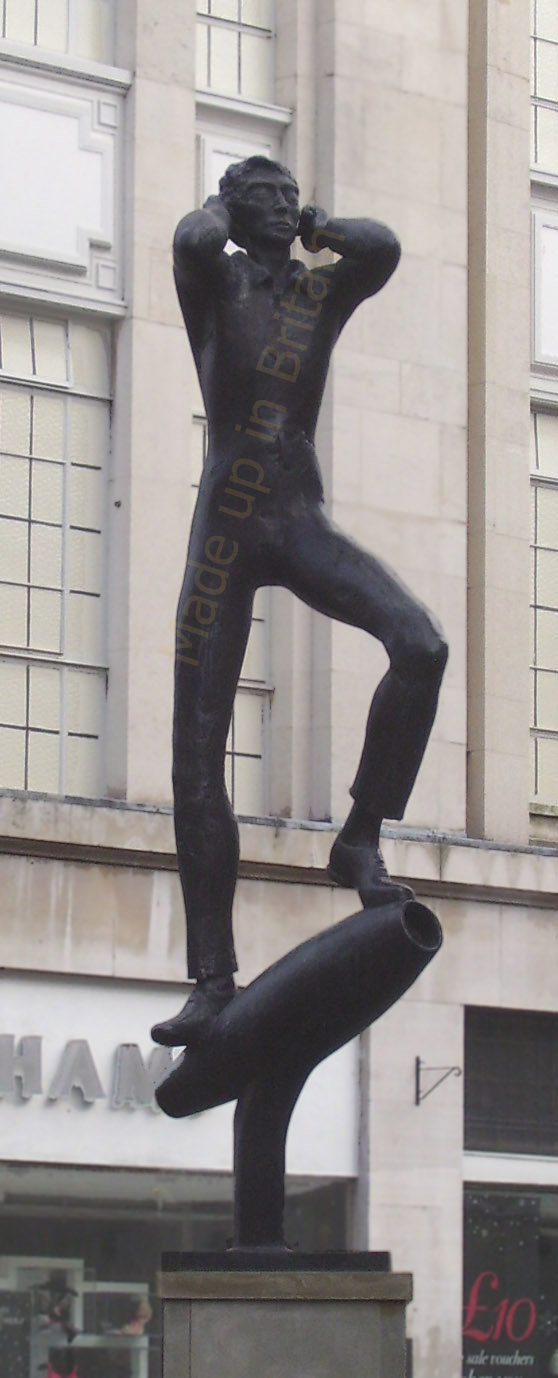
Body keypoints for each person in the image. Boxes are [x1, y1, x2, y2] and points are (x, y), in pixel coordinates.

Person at [151, 156, 447, 1048]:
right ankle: (212, 979)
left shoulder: (321, 292)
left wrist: (317, 222)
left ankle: (359, 836)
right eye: (262, 196)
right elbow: (191, 239)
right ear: (237, 210)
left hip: (295, 512)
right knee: (196, 754)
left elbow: (385, 249)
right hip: (225, 530)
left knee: (421, 645)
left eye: (288, 193)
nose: (280, 206)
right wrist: (217, 203)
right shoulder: (215, 278)